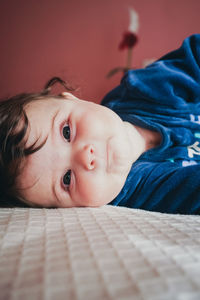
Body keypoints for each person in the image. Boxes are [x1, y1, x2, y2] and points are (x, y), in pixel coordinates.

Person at [1, 34, 200, 214]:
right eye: (67, 179)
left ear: (71, 99)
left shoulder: (143, 89)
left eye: (67, 132)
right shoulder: (142, 192)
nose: (85, 157)